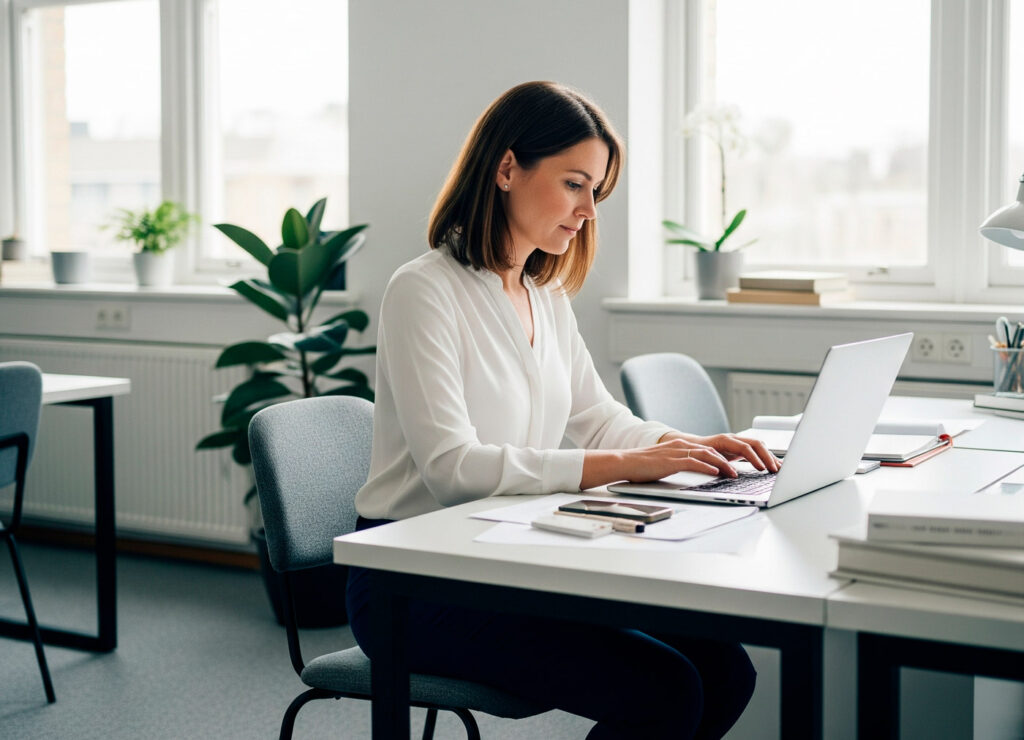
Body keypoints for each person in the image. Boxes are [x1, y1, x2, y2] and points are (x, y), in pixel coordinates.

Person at [346, 80, 780, 740]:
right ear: (507, 168)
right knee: (664, 691)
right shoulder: (423, 290)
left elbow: (598, 417)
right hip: (413, 579)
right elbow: (453, 470)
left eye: (595, 191)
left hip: (511, 557)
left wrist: (687, 447)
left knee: (724, 672)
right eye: (574, 184)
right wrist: (626, 462)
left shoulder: (544, 295)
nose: (588, 211)